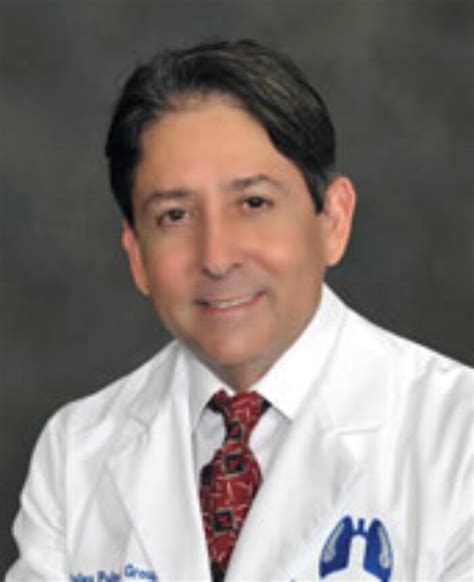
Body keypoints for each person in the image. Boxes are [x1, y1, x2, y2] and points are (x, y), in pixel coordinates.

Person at [6, 39, 473, 582]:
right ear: (136, 255)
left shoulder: (458, 436)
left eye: (254, 203)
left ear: (333, 221)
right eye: (174, 215)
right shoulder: (76, 450)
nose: (217, 257)